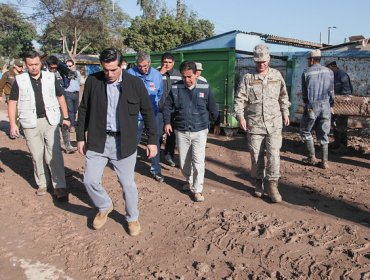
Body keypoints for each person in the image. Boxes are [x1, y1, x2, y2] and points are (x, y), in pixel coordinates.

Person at [76, 48, 157, 236]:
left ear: (122, 65)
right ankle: (104, 206)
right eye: (106, 70)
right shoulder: (93, 81)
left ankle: (132, 218)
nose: (109, 74)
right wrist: (80, 137)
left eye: (114, 69)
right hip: (98, 140)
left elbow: (147, 112)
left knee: (127, 184)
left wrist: (152, 140)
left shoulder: (135, 84)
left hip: (124, 142)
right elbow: (84, 109)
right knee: (89, 180)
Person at [8, 50, 70, 201]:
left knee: (54, 154)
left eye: (36, 64)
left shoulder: (50, 77)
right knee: (36, 155)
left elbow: (60, 97)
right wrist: (12, 124)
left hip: (51, 121)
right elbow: (12, 102)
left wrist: (66, 117)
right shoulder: (20, 80)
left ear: (40, 63)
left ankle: (59, 185)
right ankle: (42, 183)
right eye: (30, 65)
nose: (34, 67)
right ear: (26, 64)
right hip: (30, 122)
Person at [234, 44, 290, 203]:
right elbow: (240, 99)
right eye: (258, 62)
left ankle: (273, 185)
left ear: (269, 59)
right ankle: (258, 182)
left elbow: (283, 96)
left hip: (274, 123)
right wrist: (240, 117)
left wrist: (285, 112)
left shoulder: (277, 75)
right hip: (255, 124)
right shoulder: (248, 78)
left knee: (274, 155)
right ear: (254, 61)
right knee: (256, 156)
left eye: (264, 61)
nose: (261, 65)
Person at [163, 61, 220, 202]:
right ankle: (189, 180)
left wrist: (217, 123)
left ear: (196, 74)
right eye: (184, 77)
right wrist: (167, 122)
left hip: (200, 130)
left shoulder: (205, 87)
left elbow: (213, 106)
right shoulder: (175, 88)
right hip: (181, 130)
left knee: (198, 161)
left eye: (190, 76)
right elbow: (167, 106)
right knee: (184, 162)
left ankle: (197, 189)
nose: (187, 80)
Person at [126, 51, 164, 182]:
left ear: (150, 63)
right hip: (135, 116)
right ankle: (128, 169)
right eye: (140, 66)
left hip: (151, 116)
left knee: (154, 143)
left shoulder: (157, 75)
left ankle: (156, 170)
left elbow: (159, 94)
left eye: (145, 66)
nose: (142, 68)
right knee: (133, 142)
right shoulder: (129, 74)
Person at [300, 49, 334, 169]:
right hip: (326, 106)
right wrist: (330, 105)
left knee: (305, 131)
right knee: (324, 133)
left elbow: (304, 95)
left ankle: (311, 157)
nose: (308, 62)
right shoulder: (329, 72)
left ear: (312, 60)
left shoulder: (306, 72)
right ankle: (324, 162)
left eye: (309, 60)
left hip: (312, 106)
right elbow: (331, 92)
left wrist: (308, 105)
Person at [46, 56, 77, 154]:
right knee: (51, 125)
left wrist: (62, 67)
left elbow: (73, 75)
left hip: (60, 100)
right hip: (48, 102)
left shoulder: (60, 71)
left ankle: (68, 145)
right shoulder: (43, 73)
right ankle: (52, 146)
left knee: (64, 122)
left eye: (55, 67)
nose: (53, 70)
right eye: (51, 68)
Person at [158, 52, 182, 167]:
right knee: (157, 134)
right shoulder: (155, 73)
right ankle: (155, 156)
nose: (167, 64)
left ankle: (169, 156)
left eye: (169, 62)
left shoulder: (179, 74)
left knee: (171, 136)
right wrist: (159, 74)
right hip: (158, 110)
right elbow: (149, 86)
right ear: (161, 62)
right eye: (165, 62)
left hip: (173, 111)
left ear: (173, 63)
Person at [326, 61, 353, 151]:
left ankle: (343, 146)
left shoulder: (342, 75)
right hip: (334, 105)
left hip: (343, 105)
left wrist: (340, 106)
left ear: (332, 66)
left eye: (328, 68)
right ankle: (337, 142)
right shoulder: (331, 75)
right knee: (334, 124)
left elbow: (347, 93)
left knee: (341, 125)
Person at [0, 59, 24, 138]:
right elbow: (1, 85)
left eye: (21, 66)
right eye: (19, 66)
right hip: (9, 96)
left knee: (21, 113)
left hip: (20, 96)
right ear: (15, 66)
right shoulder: (7, 74)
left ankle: (18, 129)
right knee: (14, 113)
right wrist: (0, 95)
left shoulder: (22, 74)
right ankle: (13, 131)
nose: (21, 68)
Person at [64, 59, 81, 133]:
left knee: (75, 110)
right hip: (68, 93)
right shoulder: (64, 73)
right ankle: (72, 126)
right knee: (70, 110)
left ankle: (73, 122)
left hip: (76, 93)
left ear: (73, 65)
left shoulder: (77, 73)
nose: (68, 67)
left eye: (70, 66)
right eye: (67, 66)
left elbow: (74, 76)